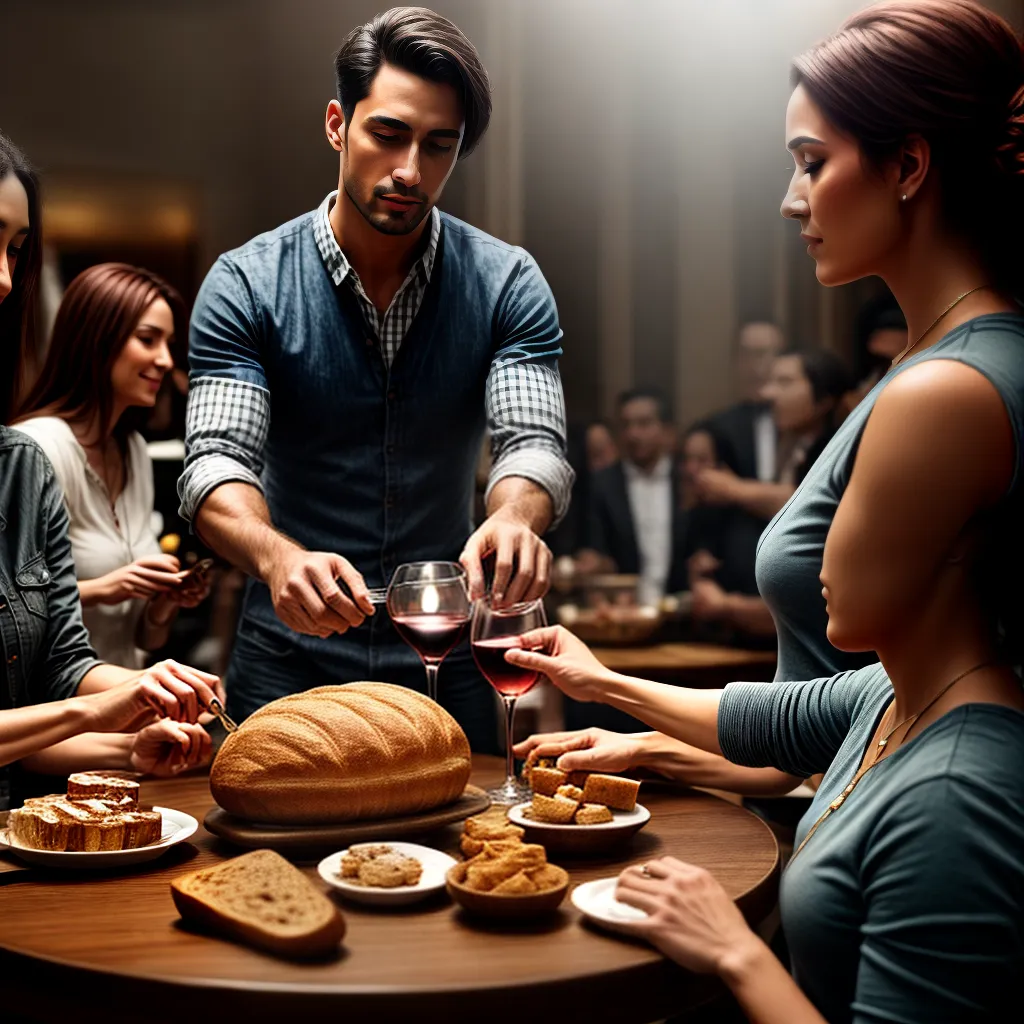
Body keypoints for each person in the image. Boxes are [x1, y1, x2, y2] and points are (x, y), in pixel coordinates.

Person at [519, 0, 1024, 812]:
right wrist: (631, 716)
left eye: (812, 161)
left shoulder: (948, 390)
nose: (792, 199)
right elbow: (846, 717)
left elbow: (904, 714)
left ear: (907, 168)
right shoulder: (932, 368)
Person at [176, 8, 572, 749]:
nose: (410, 172)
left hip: (442, 656)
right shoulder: (247, 284)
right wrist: (277, 557)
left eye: (439, 146)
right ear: (337, 124)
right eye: (387, 135)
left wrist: (516, 516)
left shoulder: (507, 281)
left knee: (466, 862)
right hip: (286, 662)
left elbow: (534, 441)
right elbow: (215, 464)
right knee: (274, 863)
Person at [0, 131, 218, 806]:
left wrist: (145, 700)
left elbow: (67, 661)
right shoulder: (46, 445)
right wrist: (110, 706)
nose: (6, 278)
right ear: (97, 342)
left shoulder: (24, 466)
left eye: (15, 250)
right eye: (147, 339)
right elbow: (58, 690)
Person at [13, 264, 212, 669]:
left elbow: (143, 638)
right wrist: (106, 588)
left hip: (120, 699)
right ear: (96, 340)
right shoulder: (37, 448)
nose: (164, 359)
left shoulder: (133, 451)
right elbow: (10, 607)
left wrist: (161, 603)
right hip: (53, 712)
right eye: (147, 339)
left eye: (168, 343)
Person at [693, 348, 852, 521]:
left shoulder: (840, 450)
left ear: (824, 399)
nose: (768, 393)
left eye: (785, 382)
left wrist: (734, 489)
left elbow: (809, 505)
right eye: (771, 382)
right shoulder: (791, 442)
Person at [577, 389, 688, 606]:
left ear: (666, 430)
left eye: (644, 424)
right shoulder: (602, 484)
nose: (633, 434)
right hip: (623, 613)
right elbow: (595, 547)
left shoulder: (685, 478)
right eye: (626, 425)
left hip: (683, 617)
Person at [679, 422, 775, 642]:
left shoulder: (750, 521)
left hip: (758, 649)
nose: (691, 470)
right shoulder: (692, 518)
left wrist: (723, 604)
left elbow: (778, 607)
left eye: (702, 460)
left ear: (725, 467)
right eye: (687, 460)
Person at [706, 321, 785, 482]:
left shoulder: (806, 424)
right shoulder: (718, 428)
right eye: (745, 354)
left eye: (762, 354)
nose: (754, 365)